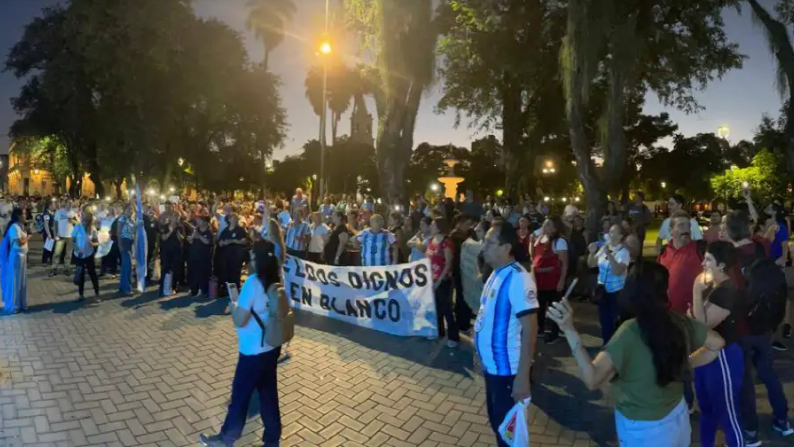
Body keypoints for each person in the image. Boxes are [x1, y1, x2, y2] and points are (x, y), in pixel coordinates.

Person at [547, 262, 726, 446]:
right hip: (677, 416)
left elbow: (592, 378)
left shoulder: (630, 332)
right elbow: (717, 343)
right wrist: (685, 363)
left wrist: (569, 329)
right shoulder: (678, 321)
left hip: (644, 428)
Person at [199, 240, 283, 447]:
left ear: (260, 260)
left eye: (253, 257)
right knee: (268, 395)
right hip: (271, 346)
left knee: (240, 397)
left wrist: (234, 305)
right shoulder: (278, 280)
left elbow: (240, 319)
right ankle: (272, 440)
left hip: (252, 350)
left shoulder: (253, 282)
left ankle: (226, 438)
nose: (249, 261)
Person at [474, 222, 537, 447]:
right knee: (498, 427)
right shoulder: (496, 274)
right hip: (493, 371)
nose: (484, 247)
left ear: (506, 247)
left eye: (490, 242)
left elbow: (530, 329)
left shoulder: (519, 279)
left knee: (509, 437)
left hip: (508, 373)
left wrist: (522, 378)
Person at [691, 241, 745, 447]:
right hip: (706, 355)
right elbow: (696, 318)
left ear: (721, 265)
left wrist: (696, 291)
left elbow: (702, 325)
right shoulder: (714, 286)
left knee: (727, 415)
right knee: (707, 410)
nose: (703, 263)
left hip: (723, 358)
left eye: (708, 259)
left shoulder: (727, 291)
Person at [587, 224, 629, 344]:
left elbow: (617, 271)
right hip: (602, 291)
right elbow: (591, 264)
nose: (608, 234)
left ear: (620, 236)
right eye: (609, 231)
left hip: (616, 292)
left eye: (612, 232)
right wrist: (592, 253)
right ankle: (606, 346)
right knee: (604, 321)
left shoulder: (623, 252)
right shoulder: (604, 248)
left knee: (614, 321)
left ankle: (615, 348)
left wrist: (609, 254)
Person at [531, 216, 569, 344]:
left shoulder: (559, 241)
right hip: (540, 280)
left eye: (548, 224)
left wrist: (562, 280)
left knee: (554, 308)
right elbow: (534, 258)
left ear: (554, 228)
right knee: (539, 307)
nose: (544, 226)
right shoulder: (540, 239)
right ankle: (540, 329)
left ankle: (554, 334)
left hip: (553, 280)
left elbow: (564, 263)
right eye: (544, 224)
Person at [425, 216, 459, 347]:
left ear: (439, 227)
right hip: (430, 279)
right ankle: (439, 331)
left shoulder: (446, 242)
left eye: (433, 225)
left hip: (443, 280)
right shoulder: (431, 240)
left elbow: (448, 263)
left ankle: (453, 336)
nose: (431, 227)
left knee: (446, 308)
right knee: (435, 307)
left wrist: (439, 280)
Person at [0, 208, 29, 314]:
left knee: (22, 280)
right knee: (16, 280)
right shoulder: (14, 227)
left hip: (23, 256)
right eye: (24, 213)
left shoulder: (21, 226)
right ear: (18, 215)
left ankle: (22, 303)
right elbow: (19, 242)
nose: (25, 215)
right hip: (16, 256)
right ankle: (15, 305)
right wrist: (29, 237)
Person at [450, 215, 475, 332]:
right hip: (459, 268)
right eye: (466, 224)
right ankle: (461, 322)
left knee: (466, 294)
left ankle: (465, 320)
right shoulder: (455, 235)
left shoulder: (467, 234)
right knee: (461, 295)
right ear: (459, 223)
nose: (468, 227)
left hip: (467, 268)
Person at [72, 211, 100, 302]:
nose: (83, 220)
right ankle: (81, 294)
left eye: (86, 219)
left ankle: (97, 294)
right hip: (79, 255)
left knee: (93, 274)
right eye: (83, 218)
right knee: (81, 274)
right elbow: (73, 240)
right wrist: (76, 249)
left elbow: (97, 243)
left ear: (89, 220)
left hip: (89, 254)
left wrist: (92, 243)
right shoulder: (77, 227)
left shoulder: (93, 229)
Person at [218, 213, 249, 295]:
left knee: (235, 273)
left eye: (235, 217)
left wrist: (232, 241)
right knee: (226, 273)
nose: (234, 219)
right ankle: (226, 291)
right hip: (225, 255)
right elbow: (220, 242)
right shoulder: (225, 230)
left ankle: (235, 293)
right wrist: (221, 243)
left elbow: (244, 241)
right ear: (229, 219)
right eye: (232, 217)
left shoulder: (240, 229)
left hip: (236, 256)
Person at [187, 216, 213, 297]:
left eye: (200, 220)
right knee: (193, 273)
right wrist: (190, 238)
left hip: (204, 257)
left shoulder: (208, 232)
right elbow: (191, 241)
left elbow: (207, 242)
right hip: (194, 255)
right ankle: (193, 289)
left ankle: (202, 289)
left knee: (202, 273)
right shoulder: (196, 230)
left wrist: (199, 236)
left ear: (205, 222)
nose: (197, 222)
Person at [51, 199, 77, 276]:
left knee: (68, 254)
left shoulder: (73, 213)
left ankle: (67, 268)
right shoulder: (59, 212)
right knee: (57, 253)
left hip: (70, 236)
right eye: (68, 203)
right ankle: (54, 268)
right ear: (65, 204)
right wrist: (55, 235)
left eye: (71, 203)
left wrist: (72, 221)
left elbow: (78, 223)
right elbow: (55, 224)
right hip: (60, 236)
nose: (70, 205)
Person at [116, 203, 136, 297]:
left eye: (132, 209)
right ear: (125, 210)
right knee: (127, 267)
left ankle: (122, 286)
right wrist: (120, 245)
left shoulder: (131, 219)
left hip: (130, 243)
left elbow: (134, 230)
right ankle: (127, 288)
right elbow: (119, 233)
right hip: (124, 243)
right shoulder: (122, 218)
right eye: (129, 209)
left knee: (125, 267)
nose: (131, 211)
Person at [41, 198, 57, 265]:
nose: (55, 205)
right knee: (47, 247)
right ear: (50, 205)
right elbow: (46, 224)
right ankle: (44, 261)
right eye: (53, 204)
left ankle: (51, 260)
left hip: (52, 232)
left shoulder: (53, 212)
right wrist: (49, 234)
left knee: (52, 247)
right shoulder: (46, 213)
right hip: (48, 232)